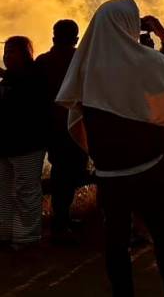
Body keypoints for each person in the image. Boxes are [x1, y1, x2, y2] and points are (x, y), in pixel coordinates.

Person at [56, 0, 164, 297]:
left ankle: (123, 293)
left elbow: (76, 110)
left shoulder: (88, 68)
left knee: (115, 240)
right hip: (149, 168)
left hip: (110, 172)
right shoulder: (142, 62)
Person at [35, 20, 89, 244]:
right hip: (78, 125)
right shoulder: (81, 60)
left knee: (61, 173)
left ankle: (61, 219)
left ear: (54, 36)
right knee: (71, 173)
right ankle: (61, 221)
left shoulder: (43, 62)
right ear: (76, 38)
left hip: (52, 128)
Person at [0, 36, 46, 250]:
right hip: (7, 146)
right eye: (6, 52)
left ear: (26, 54)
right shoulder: (9, 80)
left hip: (27, 145)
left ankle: (25, 238)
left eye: (12, 51)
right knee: (6, 191)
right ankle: (6, 234)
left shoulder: (32, 77)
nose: (7, 56)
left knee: (25, 191)